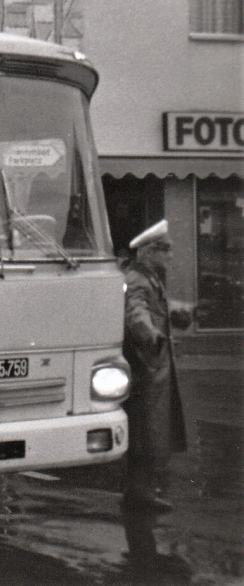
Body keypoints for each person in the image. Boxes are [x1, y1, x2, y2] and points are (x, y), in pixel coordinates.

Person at [121, 219, 188, 513]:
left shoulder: (147, 277)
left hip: (151, 364)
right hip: (146, 366)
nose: (171, 256)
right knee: (146, 429)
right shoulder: (138, 279)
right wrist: (152, 337)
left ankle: (142, 489)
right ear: (149, 252)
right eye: (166, 249)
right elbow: (136, 313)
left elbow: (152, 308)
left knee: (151, 428)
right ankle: (139, 492)